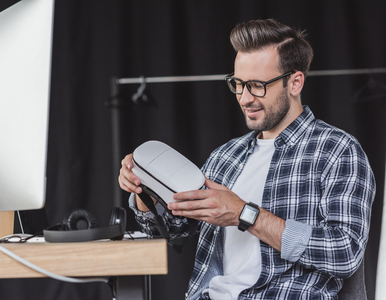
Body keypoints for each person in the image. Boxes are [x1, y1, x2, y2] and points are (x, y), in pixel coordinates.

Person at [118, 19, 376, 300]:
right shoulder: (225, 156)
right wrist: (144, 190)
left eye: (257, 85)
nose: (244, 98)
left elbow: (344, 252)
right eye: (238, 84)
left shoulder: (338, 151)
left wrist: (245, 214)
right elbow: (174, 232)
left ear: (295, 82)